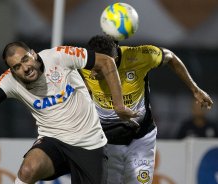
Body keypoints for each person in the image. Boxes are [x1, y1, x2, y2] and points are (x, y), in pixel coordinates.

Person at [0, 41, 139, 184]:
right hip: (53, 140)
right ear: (12, 71)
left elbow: (106, 62)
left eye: (25, 60)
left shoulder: (59, 56)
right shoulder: (10, 81)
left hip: (90, 143)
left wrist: (119, 106)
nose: (25, 68)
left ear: (32, 54)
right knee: (28, 170)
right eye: (17, 67)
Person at [79, 35, 213, 184]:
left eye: (99, 68)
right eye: (93, 66)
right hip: (106, 141)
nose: (93, 73)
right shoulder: (81, 61)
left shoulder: (139, 56)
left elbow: (170, 57)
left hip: (140, 138)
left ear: (114, 60)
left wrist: (195, 90)